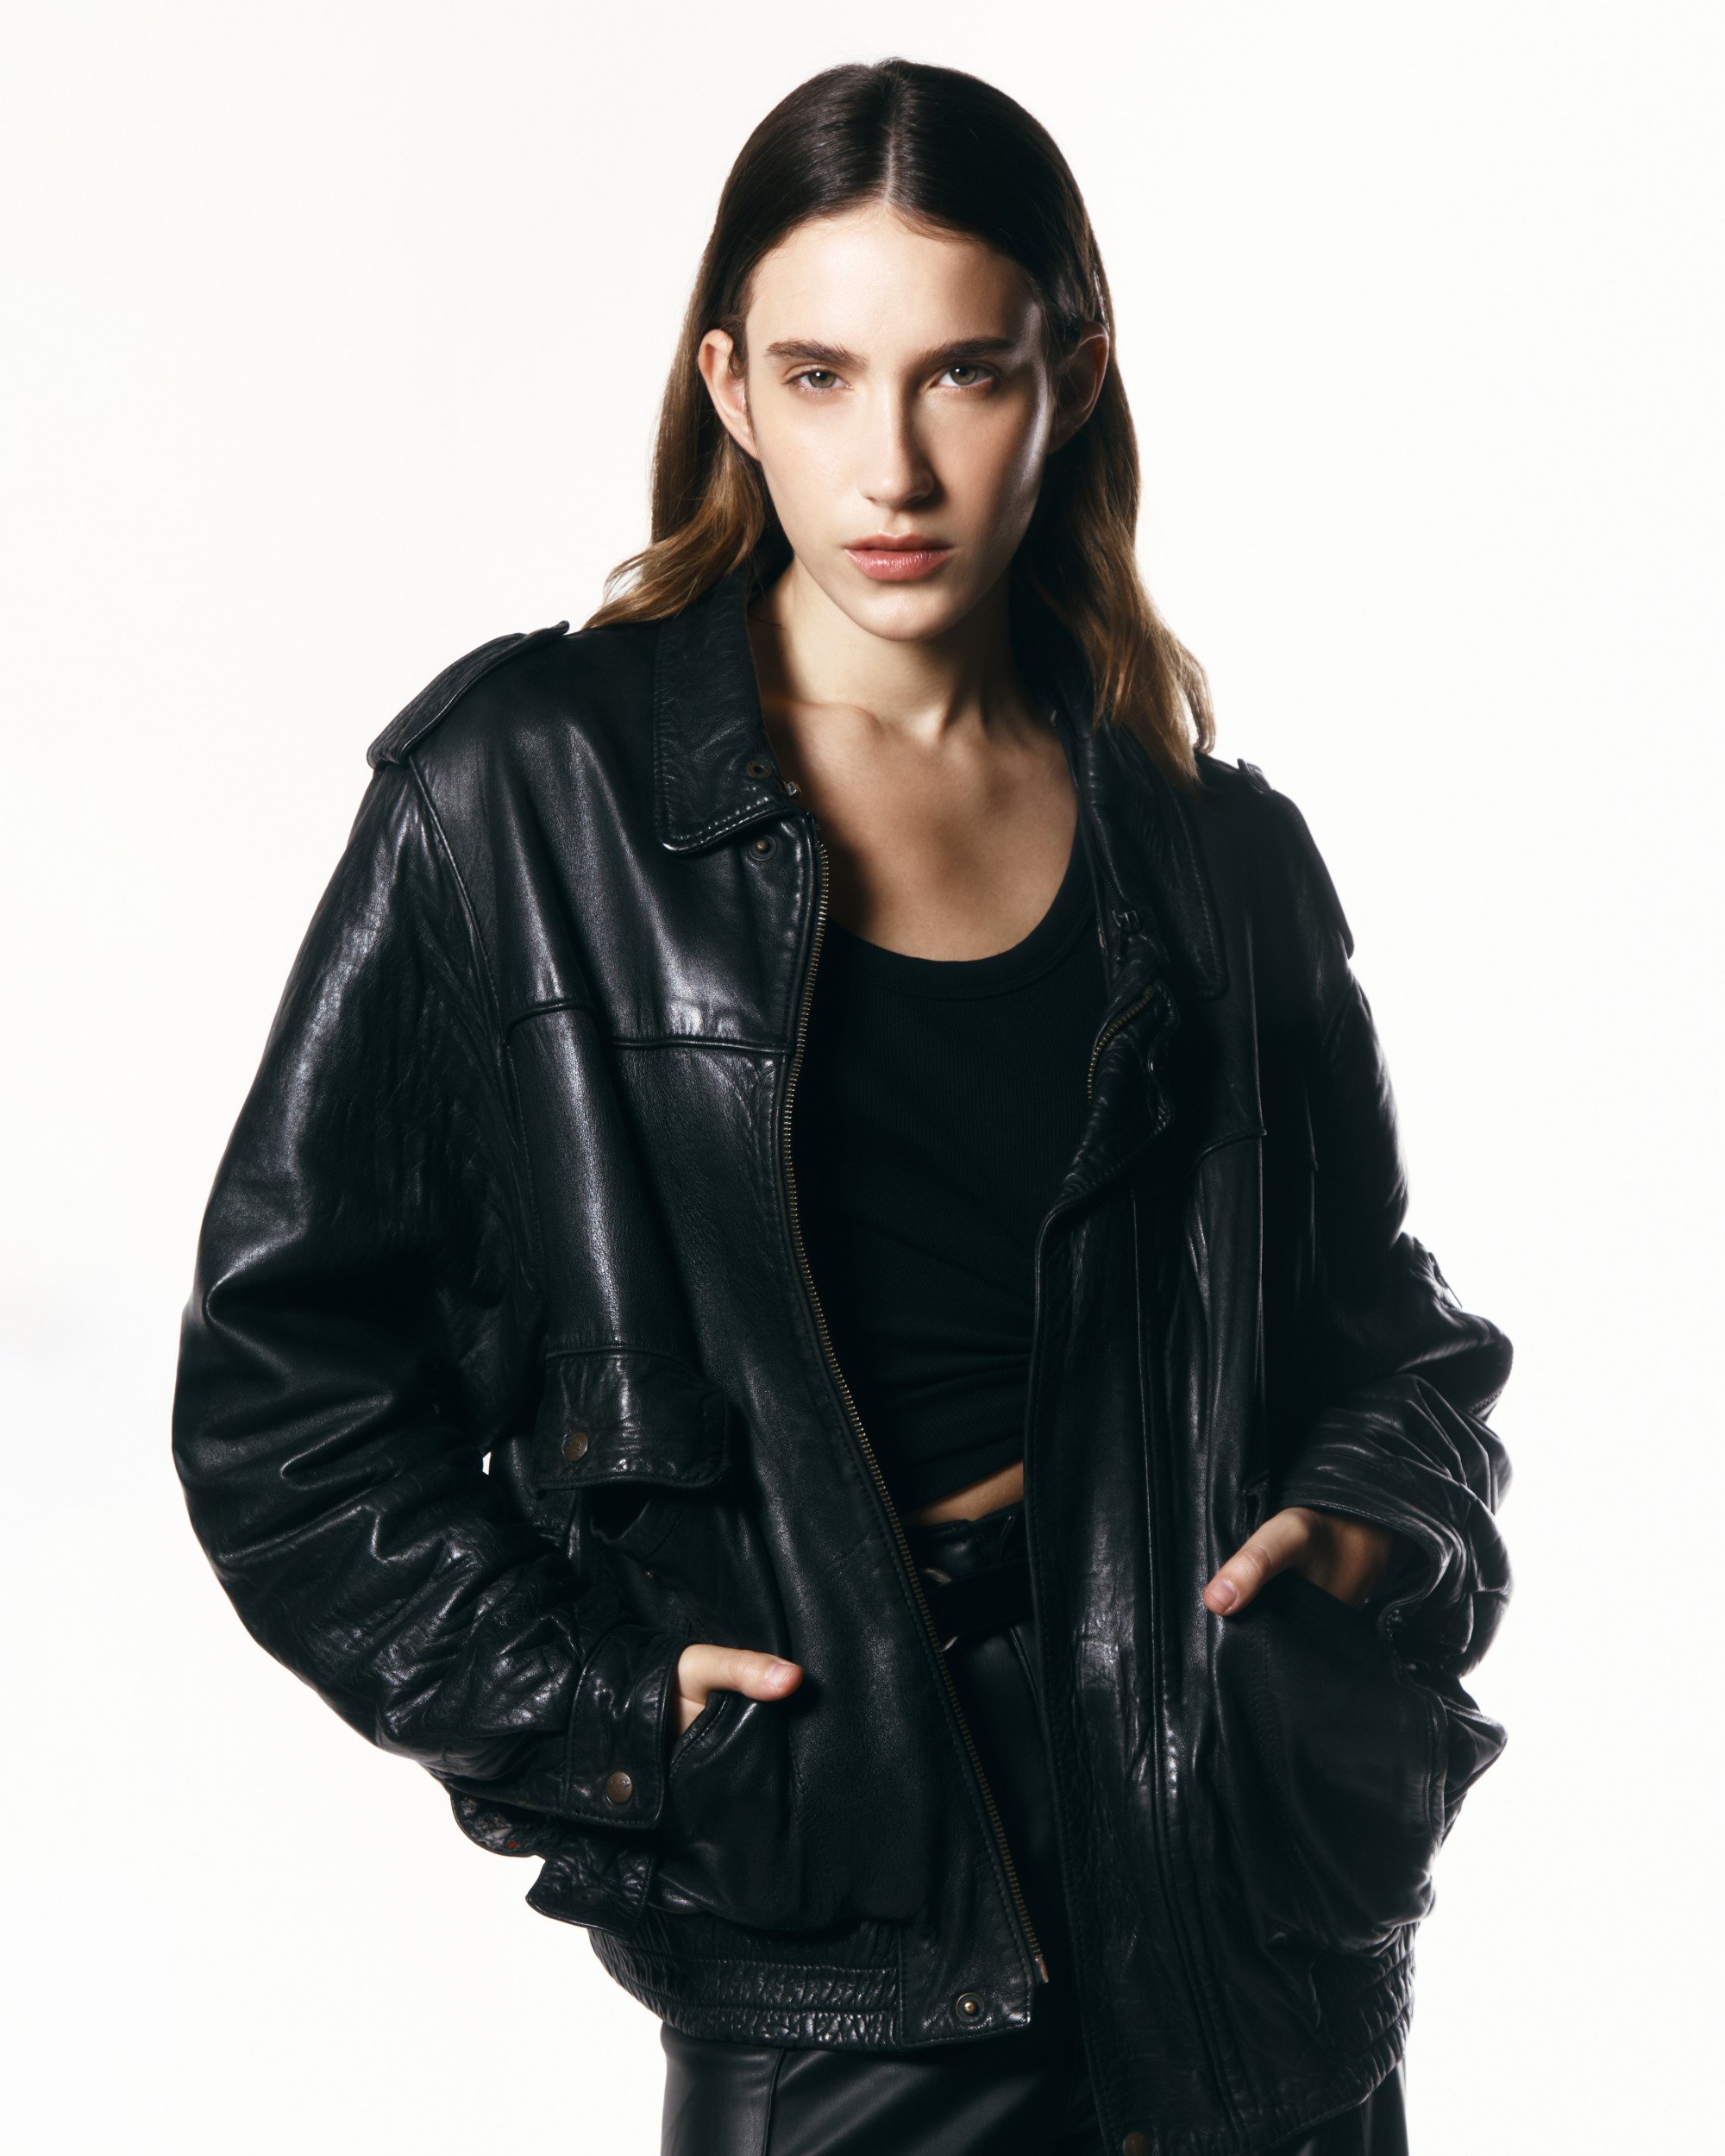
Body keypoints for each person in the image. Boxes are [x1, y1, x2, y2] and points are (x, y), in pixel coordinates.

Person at [172, 55, 1512, 2156]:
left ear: (1070, 375)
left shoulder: (1211, 847)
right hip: (846, 1891)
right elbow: (285, 1398)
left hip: (1235, 1867)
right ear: (728, 383)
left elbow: (1388, 1334)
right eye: (818, 374)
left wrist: (1360, 1530)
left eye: (961, 372)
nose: (891, 463)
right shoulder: (525, 796)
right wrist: (606, 1713)